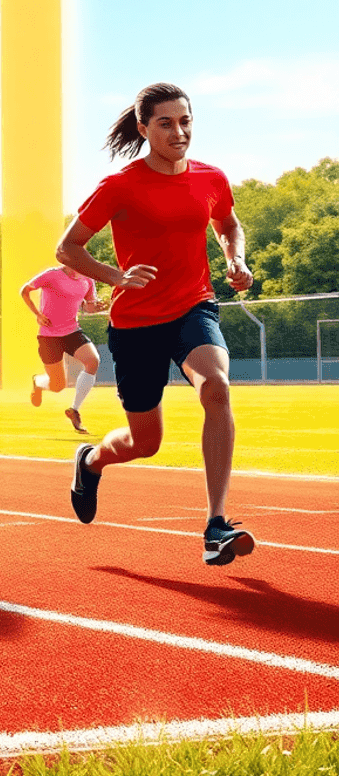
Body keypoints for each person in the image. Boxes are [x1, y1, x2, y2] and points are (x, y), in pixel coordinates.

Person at [57, 82, 255, 566]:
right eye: (165, 123)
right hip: (136, 323)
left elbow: (228, 224)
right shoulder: (119, 186)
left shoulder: (211, 178)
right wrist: (115, 276)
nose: (178, 131)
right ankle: (92, 460)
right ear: (144, 128)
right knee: (145, 442)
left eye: (185, 121)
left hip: (194, 307)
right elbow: (68, 248)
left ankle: (216, 525)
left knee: (217, 388)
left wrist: (236, 258)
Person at [21, 263, 107, 433]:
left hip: (72, 331)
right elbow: (25, 290)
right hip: (49, 336)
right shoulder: (52, 275)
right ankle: (38, 382)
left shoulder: (88, 280)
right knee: (58, 386)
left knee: (93, 360)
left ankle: (74, 409)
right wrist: (38, 315)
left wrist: (95, 307)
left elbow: (87, 306)